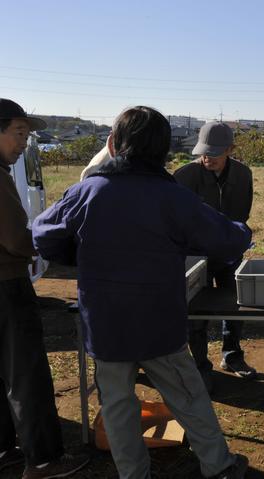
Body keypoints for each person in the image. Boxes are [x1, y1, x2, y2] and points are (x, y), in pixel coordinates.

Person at [32, 106, 251, 479]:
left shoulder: (88, 191)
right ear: (164, 152)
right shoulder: (173, 197)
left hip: (106, 325)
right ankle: (219, 467)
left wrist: (78, 253)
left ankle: (134, 474)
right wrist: (244, 232)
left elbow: (42, 234)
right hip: (159, 323)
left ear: (114, 144)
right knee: (188, 395)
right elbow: (227, 239)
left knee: (117, 404)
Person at [0, 99, 89, 479]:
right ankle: (44, 461)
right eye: (19, 133)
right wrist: (47, 238)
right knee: (27, 375)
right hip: (7, 288)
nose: (24, 143)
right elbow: (16, 239)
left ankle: (7, 450)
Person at [174, 122, 257, 391]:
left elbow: (242, 215)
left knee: (235, 305)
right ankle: (199, 366)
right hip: (194, 256)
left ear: (231, 150)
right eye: (205, 153)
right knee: (195, 312)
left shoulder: (243, 175)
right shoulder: (183, 176)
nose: (208, 158)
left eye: (216, 153)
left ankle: (232, 355)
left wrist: (229, 241)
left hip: (229, 253)